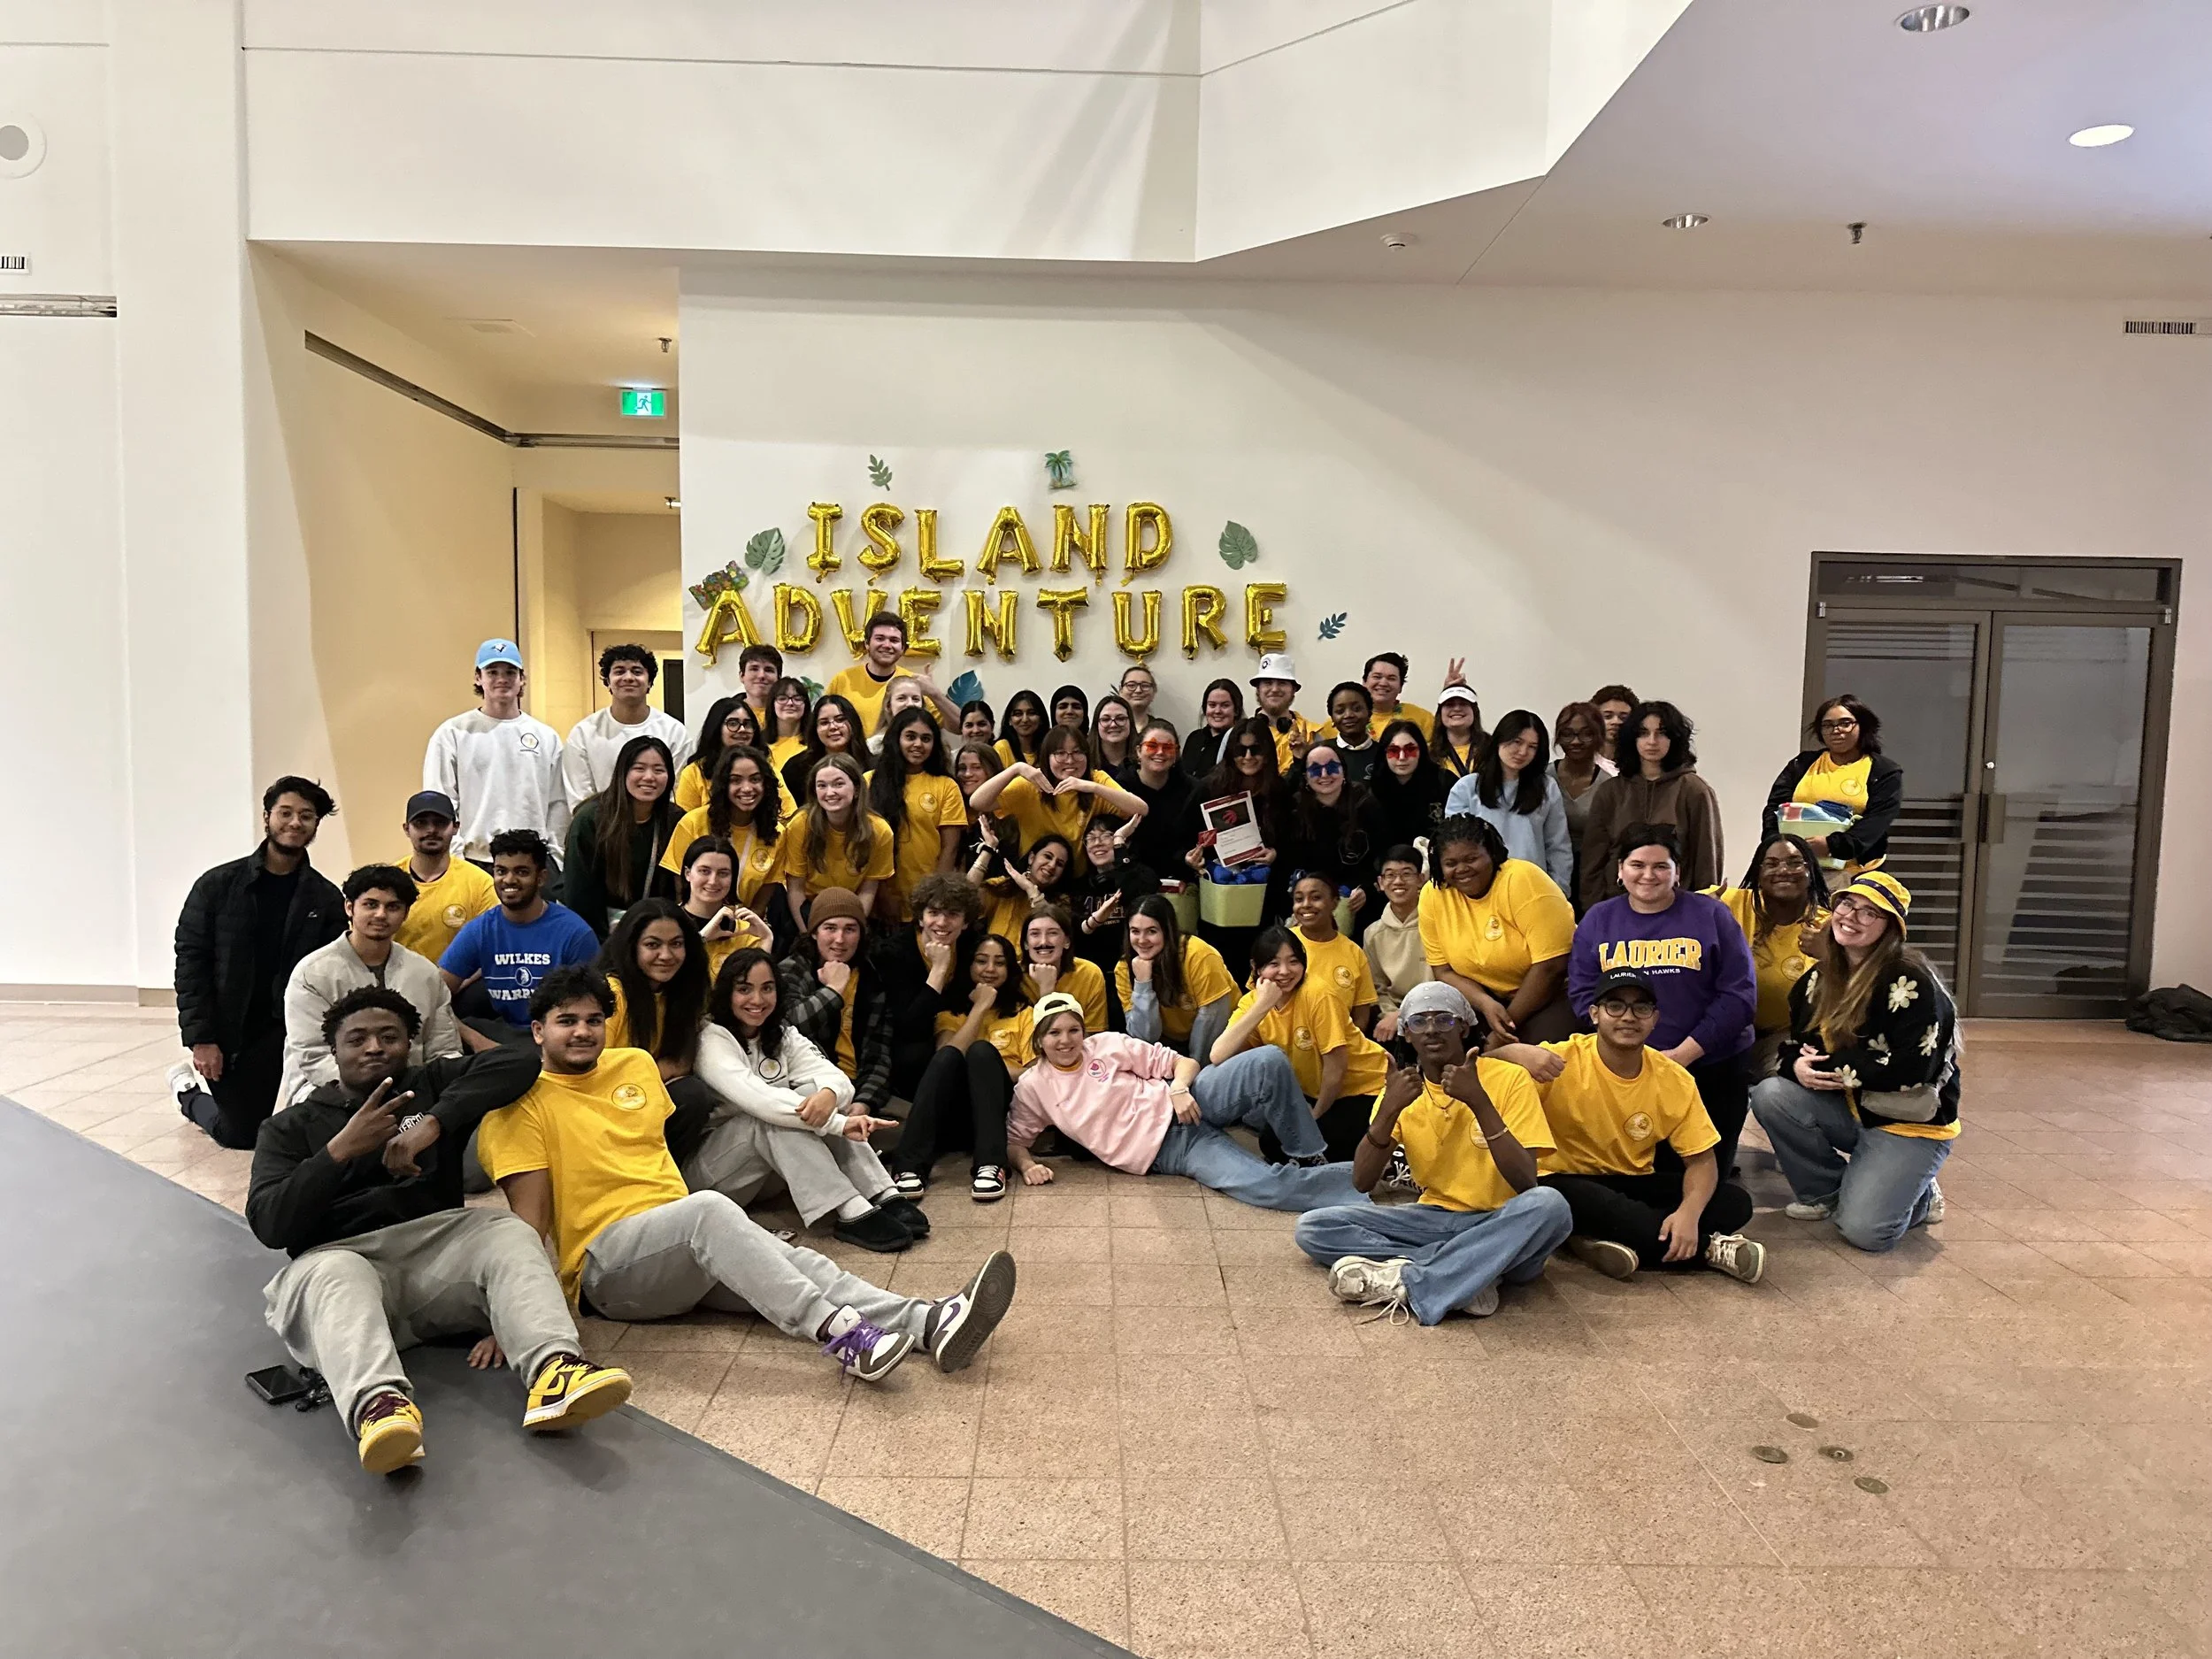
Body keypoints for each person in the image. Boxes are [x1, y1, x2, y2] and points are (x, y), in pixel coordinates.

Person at [479, 966, 1016, 1382]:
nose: (583, 1032)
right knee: (711, 1211)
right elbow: (527, 1227)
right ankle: (843, 1336)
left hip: (676, 1245)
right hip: (606, 1272)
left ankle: (929, 1323)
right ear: (537, 1030)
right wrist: (515, 1318)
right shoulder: (516, 1108)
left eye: (594, 1020)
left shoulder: (634, 1065)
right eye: (567, 1021)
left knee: (798, 1263)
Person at [248, 988, 631, 1475]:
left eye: (389, 1037)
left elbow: (518, 1062)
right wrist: (338, 1152)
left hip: (435, 1263)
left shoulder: (431, 1082)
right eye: (357, 1039)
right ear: (334, 1050)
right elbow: (270, 1223)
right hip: (339, 1263)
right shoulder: (288, 1127)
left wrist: (433, 1122)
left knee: (505, 1230)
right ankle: (380, 1408)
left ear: (410, 1044)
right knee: (337, 1273)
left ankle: (555, 1371)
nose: (374, 1047)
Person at [1291, 981, 1571, 1325]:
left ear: (1464, 1028)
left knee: (1550, 1205)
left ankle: (1415, 1280)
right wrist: (1388, 1111)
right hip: (1433, 1219)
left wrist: (1480, 1103)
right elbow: (1362, 1182)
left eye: (1444, 1019)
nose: (1432, 1030)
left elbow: (1526, 1181)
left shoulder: (1509, 1078)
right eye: (1419, 1021)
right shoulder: (1401, 1089)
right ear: (1406, 1034)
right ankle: (1470, 1272)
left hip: (1503, 1221)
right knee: (1314, 1227)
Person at [1489, 968, 1763, 1283]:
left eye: (1641, 1008)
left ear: (1654, 1018)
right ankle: (1708, 1250)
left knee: (1735, 1202)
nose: (1628, 1017)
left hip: (1630, 1180)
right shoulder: (1558, 1059)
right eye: (1615, 1006)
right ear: (1595, 1014)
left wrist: (1689, 1213)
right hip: (1561, 1180)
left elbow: (1701, 1161)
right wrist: (1514, 1052)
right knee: (1573, 1199)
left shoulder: (1674, 1078)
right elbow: (1482, 1068)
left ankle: (1591, 1238)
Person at [1751, 872, 1958, 1254]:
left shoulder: (1912, 981)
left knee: (1867, 1234)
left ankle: (1919, 1194)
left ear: (1891, 928)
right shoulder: (1817, 979)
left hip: (1906, 1121)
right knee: (1771, 1094)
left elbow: (1914, 1069)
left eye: (1869, 913)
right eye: (1847, 904)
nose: (1851, 917)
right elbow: (1795, 1044)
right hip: (1850, 1108)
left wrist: (1834, 1068)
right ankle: (1827, 1193)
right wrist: (1796, 1066)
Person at [1010, 994, 1365, 1209]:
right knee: (1269, 1187)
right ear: (1039, 1040)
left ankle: (1308, 1154)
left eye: (1073, 1030)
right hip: (1172, 1151)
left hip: (1191, 1100)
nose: (1066, 1040)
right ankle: (1363, 1178)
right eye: (1054, 1033)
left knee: (1268, 1060)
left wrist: (1179, 1089)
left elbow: (1185, 1063)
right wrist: (1027, 1167)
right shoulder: (1033, 1086)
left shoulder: (1106, 1044)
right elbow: (1015, 1141)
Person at [690, 947, 919, 1252]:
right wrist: (838, 1123)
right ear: (726, 993)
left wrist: (829, 1095)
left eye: (767, 988)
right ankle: (850, 1209)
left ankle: (881, 1192)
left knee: (812, 1095)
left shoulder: (780, 1033)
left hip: (767, 1172)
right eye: (744, 989)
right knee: (768, 1117)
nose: (757, 1000)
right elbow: (758, 1100)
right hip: (715, 1175)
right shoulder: (711, 1037)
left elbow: (836, 1078)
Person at [1570, 824, 1757, 1179]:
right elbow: (1583, 993)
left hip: (1711, 1063)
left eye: (1660, 866)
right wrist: (1632, 1051)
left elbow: (1739, 995)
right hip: (1627, 1067)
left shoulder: (1712, 915)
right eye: (1637, 865)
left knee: (1706, 1176)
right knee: (1641, 1175)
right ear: (1620, 870)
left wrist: (1683, 1055)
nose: (1648, 875)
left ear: (1677, 872)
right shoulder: (1598, 920)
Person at [171, 776, 345, 1148]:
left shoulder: (326, 898)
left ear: (316, 824)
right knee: (239, 1135)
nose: (295, 823)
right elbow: (191, 963)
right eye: (286, 813)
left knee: (301, 1129)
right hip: (231, 1030)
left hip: (286, 1029)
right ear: (267, 817)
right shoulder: (217, 886)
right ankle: (188, 1095)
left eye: (306, 816)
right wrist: (201, 1039)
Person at [279, 864, 464, 1110]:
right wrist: (374, 1096)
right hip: (330, 1094)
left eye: (393, 907)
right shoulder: (312, 973)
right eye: (370, 904)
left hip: (412, 1093)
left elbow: (445, 1050)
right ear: (349, 908)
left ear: (405, 914)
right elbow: (313, 1055)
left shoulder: (425, 973)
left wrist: (427, 1094)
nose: (380, 915)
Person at [1214, 926, 1390, 1162]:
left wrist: (1314, 1116)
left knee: (1327, 1147)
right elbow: (1218, 1055)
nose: (1285, 971)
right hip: (1313, 1093)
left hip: (1366, 1088)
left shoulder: (1318, 994)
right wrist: (1262, 1006)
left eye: (1293, 962)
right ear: (1256, 967)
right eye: (1274, 964)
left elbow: (1336, 1068)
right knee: (1273, 1144)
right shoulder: (1254, 1003)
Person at [892, 933, 1033, 1202]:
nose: (990, 969)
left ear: (1010, 969)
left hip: (1001, 1114)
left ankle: (991, 1165)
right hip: (954, 1115)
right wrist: (980, 1007)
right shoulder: (951, 1013)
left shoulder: (1023, 1013)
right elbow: (946, 1059)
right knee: (952, 1056)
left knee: (981, 1053)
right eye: (981, 961)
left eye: (999, 963)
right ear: (969, 965)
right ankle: (909, 1166)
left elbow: (1033, 1072)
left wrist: (988, 1070)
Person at [1418, 815, 1577, 1043]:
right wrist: (1485, 1003)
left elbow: (1552, 966)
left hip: (1557, 992)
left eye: (1471, 859)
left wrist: (1503, 1029)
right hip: (1489, 998)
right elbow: (1443, 971)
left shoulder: (1523, 879)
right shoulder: (1432, 895)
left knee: (1530, 1054)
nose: (1462, 869)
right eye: (1451, 864)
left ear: (1491, 854)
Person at [423, 639, 568, 868]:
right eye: (492, 672)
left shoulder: (546, 737)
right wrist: (457, 860)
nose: (502, 679)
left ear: (522, 678)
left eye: (510, 672)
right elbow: (441, 799)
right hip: (475, 859)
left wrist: (555, 859)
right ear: (478, 678)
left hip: (532, 861)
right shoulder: (453, 733)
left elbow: (558, 804)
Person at [437, 830, 600, 1033]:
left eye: (521, 872)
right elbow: (435, 993)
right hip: (505, 1034)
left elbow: (593, 1011)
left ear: (541, 878)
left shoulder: (575, 934)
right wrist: (472, 1038)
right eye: (501, 871)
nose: (509, 880)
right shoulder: (481, 929)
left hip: (558, 1036)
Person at [596, 898, 718, 1167]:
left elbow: (682, 1061)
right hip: (606, 1105)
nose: (666, 955)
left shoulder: (684, 992)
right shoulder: (611, 993)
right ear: (632, 947)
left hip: (649, 1097)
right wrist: (657, 1071)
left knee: (693, 1096)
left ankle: (662, 1175)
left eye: (676, 944)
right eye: (653, 945)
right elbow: (595, 1072)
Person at [1578, 700, 1724, 905]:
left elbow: (1706, 861)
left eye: (1661, 733)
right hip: (1617, 908)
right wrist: (1594, 910)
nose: (1652, 741)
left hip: (1678, 910)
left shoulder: (1694, 790)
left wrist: (1703, 908)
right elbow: (1592, 863)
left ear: (1675, 738)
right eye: (1644, 733)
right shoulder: (1610, 792)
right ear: (1632, 738)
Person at [1709, 833, 1832, 1076]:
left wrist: (1829, 956)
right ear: (1758, 873)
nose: (1783, 870)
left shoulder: (1826, 926)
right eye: (1772, 864)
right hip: (1722, 1028)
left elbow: (1855, 988)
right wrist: (1699, 911)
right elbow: (1667, 903)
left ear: (1811, 871)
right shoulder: (1727, 902)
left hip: (1785, 1036)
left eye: (1795, 863)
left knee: (1778, 1083)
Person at [777, 887, 895, 1116]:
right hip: (810, 1085)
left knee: (911, 1124)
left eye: (850, 929)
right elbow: (789, 1027)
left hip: (856, 1088)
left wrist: (864, 1102)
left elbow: (879, 1055)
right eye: (830, 928)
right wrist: (833, 990)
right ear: (814, 933)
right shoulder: (792, 969)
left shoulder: (872, 978)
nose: (840, 940)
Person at [968, 726, 1146, 874]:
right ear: (1047, 756)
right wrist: (1016, 768)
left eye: (1077, 752)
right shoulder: (1030, 784)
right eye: (1060, 753)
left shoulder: (1095, 779)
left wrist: (1092, 787)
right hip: (1036, 876)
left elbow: (1141, 809)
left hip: (1081, 881)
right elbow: (977, 802)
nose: (1070, 760)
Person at [1763, 695, 1903, 879]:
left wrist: (1831, 846)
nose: (1836, 730)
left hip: (1856, 873)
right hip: (1797, 871)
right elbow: (1774, 809)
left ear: (1862, 726)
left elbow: (1876, 822)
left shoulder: (1884, 771)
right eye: (1827, 725)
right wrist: (1776, 846)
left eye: (1845, 723)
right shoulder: (1802, 764)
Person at [873, 871, 986, 1099]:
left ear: (965, 922)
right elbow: (909, 1025)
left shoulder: (971, 945)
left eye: (953, 914)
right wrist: (939, 970)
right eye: (933, 913)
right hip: (908, 1045)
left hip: (954, 1031)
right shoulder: (893, 953)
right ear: (920, 918)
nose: (942, 922)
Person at [661, 743, 787, 942]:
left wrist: (739, 933)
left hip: (741, 930)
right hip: (692, 926)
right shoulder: (693, 822)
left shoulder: (776, 833)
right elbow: (680, 891)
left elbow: (760, 903)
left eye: (755, 779)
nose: (747, 788)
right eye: (736, 780)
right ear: (723, 785)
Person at [562, 735, 679, 939]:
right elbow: (579, 894)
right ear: (622, 772)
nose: (649, 777)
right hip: (599, 932)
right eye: (639, 768)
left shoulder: (676, 820)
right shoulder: (590, 820)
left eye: (659, 770)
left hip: (658, 931)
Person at [1270, 740, 1388, 933]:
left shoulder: (1367, 806)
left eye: (1332, 767)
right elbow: (1286, 866)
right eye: (1316, 770)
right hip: (1308, 903)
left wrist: (1367, 889)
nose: (1324, 775)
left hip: (1356, 905)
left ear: (1344, 771)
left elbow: (1381, 857)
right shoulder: (1293, 812)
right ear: (1306, 777)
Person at [1448, 710, 1573, 892]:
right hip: (1481, 891)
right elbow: (1454, 848)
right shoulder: (1466, 788)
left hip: (1532, 888)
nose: (1523, 752)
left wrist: (1558, 891)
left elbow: (1558, 846)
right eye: (1517, 742)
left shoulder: (1546, 787)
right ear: (1500, 739)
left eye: (1532, 747)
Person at [867, 704, 968, 921]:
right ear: (896, 739)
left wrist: (933, 898)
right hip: (876, 896)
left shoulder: (946, 786)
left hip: (928, 901)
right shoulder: (869, 782)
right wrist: (883, 895)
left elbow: (950, 849)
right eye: (910, 737)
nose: (918, 745)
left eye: (926, 739)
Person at [560, 643, 690, 808]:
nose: (628, 678)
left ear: (649, 682)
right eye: (619, 671)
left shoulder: (674, 732)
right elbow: (580, 798)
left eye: (637, 671)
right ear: (608, 682)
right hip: (601, 822)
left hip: (661, 821)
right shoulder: (584, 733)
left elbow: (677, 793)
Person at [1116, 895, 1238, 1056]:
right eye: (1135, 931)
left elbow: (1211, 1021)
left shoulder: (1199, 955)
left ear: (1168, 930)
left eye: (1152, 931)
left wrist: (1194, 1068)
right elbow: (1145, 1037)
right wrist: (1143, 984)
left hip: (1225, 1039)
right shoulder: (1124, 968)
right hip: (1172, 1045)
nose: (1142, 940)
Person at [778, 753, 895, 923]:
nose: (830, 792)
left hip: (852, 909)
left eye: (838, 784)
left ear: (856, 789)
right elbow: (796, 888)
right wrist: (807, 934)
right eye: (822, 785)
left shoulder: (880, 830)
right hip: (808, 908)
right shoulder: (800, 824)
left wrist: (852, 928)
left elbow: (868, 890)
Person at [393, 791, 497, 962]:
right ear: (406, 829)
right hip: (397, 977)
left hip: (461, 978)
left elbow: (493, 947)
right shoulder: (388, 882)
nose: (431, 830)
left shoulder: (480, 883)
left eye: (440, 823)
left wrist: (449, 978)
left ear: (456, 827)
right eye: (421, 823)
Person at [827, 611, 960, 736]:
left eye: (894, 640)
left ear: (902, 648)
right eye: (880, 638)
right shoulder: (843, 680)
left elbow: (959, 727)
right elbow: (823, 723)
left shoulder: (912, 684)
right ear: (867, 644)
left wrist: (934, 693)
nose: (887, 645)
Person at [672, 835, 772, 981]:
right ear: (688, 874)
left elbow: (751, 988)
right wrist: (702, 939)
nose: (713, 881)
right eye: (704, 871)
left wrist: (767, 939)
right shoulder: (665, 923)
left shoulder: (745, 932)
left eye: (723, 873)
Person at [1071, 815, 1160, 974]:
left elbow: (1134, 892)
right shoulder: (1079, 887)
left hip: (1137, 969)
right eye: (1091, 838)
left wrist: (1119, 842)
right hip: (1093, 973)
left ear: (1127, 842)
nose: (1097, 843)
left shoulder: (1142, 875)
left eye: (1107, 836)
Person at [1287, 872, 1377, 1027]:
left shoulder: (1353, 952)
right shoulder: (1280, 944)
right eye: (1299, 899)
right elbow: (1258, 999)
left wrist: (1344, 1040)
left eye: (1316, 898)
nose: (1306, 904)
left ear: (1334, 903)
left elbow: (1361, 1015)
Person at [1363, 845, 1430, 1041]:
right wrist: (1394, 1015)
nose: (1398, 881)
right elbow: (1377, 988)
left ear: (1421, 879)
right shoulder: (1373, 933)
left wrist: (1408, 1014)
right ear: (1381, 883)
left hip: (1436, 1009)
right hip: (1392, 1016)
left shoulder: (1436, 921)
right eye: (1390, 875)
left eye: (1406, 874)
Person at [1551, 702, 1611, 914]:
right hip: (1549, 875)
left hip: (1593, 878)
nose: (1576, 741)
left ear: (1599, 736)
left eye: (1586, 734)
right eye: (1567, 734)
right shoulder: (1543, 779)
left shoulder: (1609, 785)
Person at [1125, 718, 1199, 878]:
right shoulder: (1121, 787)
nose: (1160, 752)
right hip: (1133, 878)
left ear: (1176, 754)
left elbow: (1194, 838)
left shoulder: (1193, 789)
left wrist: (1189, 857)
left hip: (1181, 878)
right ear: (1138, 751)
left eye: (1168, 747)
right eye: (1152, 746)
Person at [972, 828, 1072, 943]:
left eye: (1059, 864)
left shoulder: (1062, 902)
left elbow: (1051, 929)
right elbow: (963, 899)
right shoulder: (1003, 886)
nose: (1052, 865)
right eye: (1048, 857)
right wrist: (988, 848)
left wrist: (1030, 889)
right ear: (1031, 858)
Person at [1022, 903, 1110, 1033]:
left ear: (1067, 942)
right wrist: (1047, 992)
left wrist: (1047, 993)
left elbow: (1093, 1037)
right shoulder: (1014, 976)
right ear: (1025, 943)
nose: (1043, 942)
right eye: (1035, 934)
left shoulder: (1090, 974)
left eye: (1052, 933)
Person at [1367, 719, 1448, 853]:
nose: (1402, 757)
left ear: (1421, 750)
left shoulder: (1444, 782)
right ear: (1384, 753)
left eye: (1410, 749)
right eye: (1393, 750)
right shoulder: (1373, 790)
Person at [675, 696, 762, 814]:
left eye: (747, 724)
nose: (742, 729)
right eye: (733, 723)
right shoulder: (694, 773)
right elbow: (684, 820)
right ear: (716, 727)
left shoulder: (766, 768)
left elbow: (785, 816)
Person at [782, 693, 871, 806]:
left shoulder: (873, 766)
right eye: (824, 722)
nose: (833, 727)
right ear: (815, 729)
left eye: (840, 720)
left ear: (853, 723)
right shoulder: (795, 769)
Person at [1249, 652, 1317, 772]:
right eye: (1268, 683)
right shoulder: (1240, 734)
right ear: (1258, 689)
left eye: (1282, 683)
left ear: (1293, 689)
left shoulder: (1313, 734)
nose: (1275, 689)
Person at [1180, 679, 1245, 779]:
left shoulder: (1241, 743)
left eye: (1225, 705)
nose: (1217, 711)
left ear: (1236, 710)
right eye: (1212, 705)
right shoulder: (1194, 738)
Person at [1363, 652, 1432, 742]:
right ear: (1364, 682)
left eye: (1391, 678)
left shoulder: (1422, 718)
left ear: (1401, 687)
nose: (1383, 683)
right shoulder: (1350, 718)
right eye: (1377, 677)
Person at [1323, 682, 1379, 784]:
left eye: (1357, 709)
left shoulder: (1383, 753)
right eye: (1340, 711)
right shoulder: (1321, 752)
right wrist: (1299, 759)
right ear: (1332, 717)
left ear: (1369, 713)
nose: (1348, 715)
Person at [864, 672, 931, 755]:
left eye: (915, 699)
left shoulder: (931, 742)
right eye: (901, 698)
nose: (910, 704)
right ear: (888, 705)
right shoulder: (874, 746)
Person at [1431, 683, 1486, 784]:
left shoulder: (1492, 748)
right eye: (1449, 704)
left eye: (1464, 704)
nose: (1457, 709)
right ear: (1440, 713)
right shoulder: (1428, 753)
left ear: (1474, 711)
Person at [763, 677, 812, 788]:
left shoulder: (815, 743)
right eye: (782, 698)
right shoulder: (759, 743)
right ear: (772, 704)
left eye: (797, 698)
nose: (790, 703)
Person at [1589, 684, 1639, 772]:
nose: (1616, 722)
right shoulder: (1582, 761)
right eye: (1608, 716)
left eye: (1623, 718)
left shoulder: (1639, 764)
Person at [995, 688, 1049, 770]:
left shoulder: (1050, 747)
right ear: (1010, 720)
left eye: (1031, 713)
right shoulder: (1002, 748)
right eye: (1018, 714)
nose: (1025, 720)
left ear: (1041, 719)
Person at [736, 641, 784, 729]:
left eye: (768, 670)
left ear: (779, 678)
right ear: (742, 675)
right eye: (754, 669)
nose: (761, 675)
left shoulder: (791, 716)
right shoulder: (725, 715)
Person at [1091, 692, 1137, 780]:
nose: (1113, 725)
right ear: (1096, 725)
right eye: (1106, 719)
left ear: (1130, 723)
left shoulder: (1143, 761)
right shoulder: (1084, 762)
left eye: (1120, 718)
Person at [1117, 664, 1158, 729]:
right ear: (1121, 690)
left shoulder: (1163, 728)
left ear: (1154, 691)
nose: (1138, 690)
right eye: (1131, 685)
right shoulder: (1110, 726)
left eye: (1145, 686)